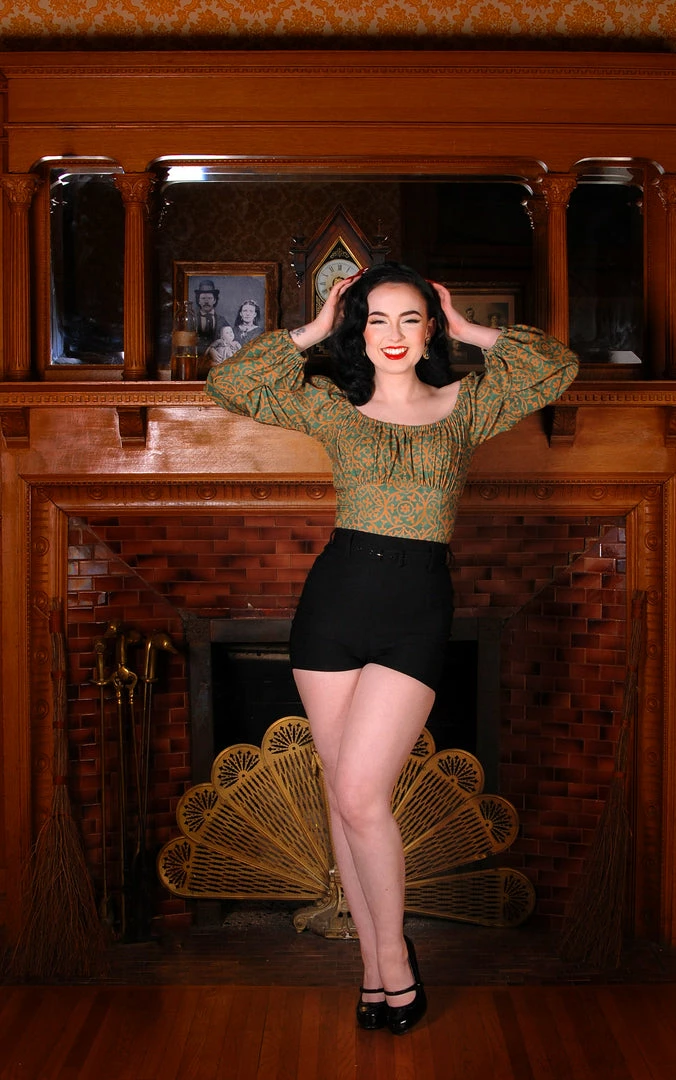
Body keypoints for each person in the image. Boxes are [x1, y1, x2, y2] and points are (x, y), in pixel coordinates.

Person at [205, 263, 579, 1035]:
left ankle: (393, 958)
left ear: (430, 328)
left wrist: (472, 330)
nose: (394, 335)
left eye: (410, 318)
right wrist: (312, 330)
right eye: (376, 319)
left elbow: (555, 369)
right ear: (359, 330)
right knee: (344, 799)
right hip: (332, 607)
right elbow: (230, 385)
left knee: (359, 794)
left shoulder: (466, 405)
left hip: (415, 611)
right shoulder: (331, 406)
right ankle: (375, 971)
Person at [194, 278, 230, 352]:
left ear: (215, 300)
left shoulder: (222, 320)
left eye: (210, 298)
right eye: (203, 298)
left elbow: (229, 340)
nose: (206, 301)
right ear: (198, 301)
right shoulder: (193, 320)